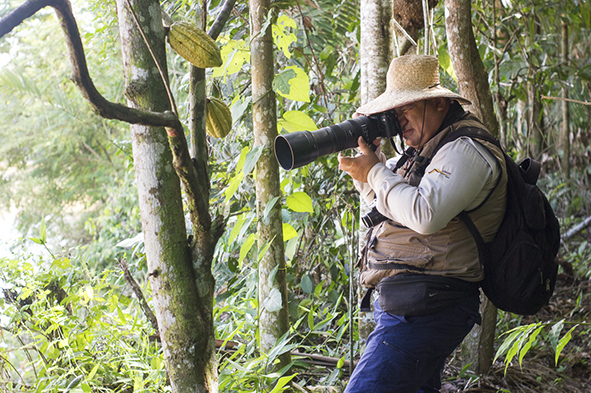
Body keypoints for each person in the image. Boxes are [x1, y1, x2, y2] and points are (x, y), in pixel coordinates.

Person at [338, 54, 507, 392]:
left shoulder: (465, 150)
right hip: (411, 303)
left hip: (430, 307)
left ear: (441, 102)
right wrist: (370, 170)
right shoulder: (427, 148)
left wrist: (374, 170)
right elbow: (387, 207)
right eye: (395, 113)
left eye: (408, 109)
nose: (400, 121)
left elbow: (424, 215)